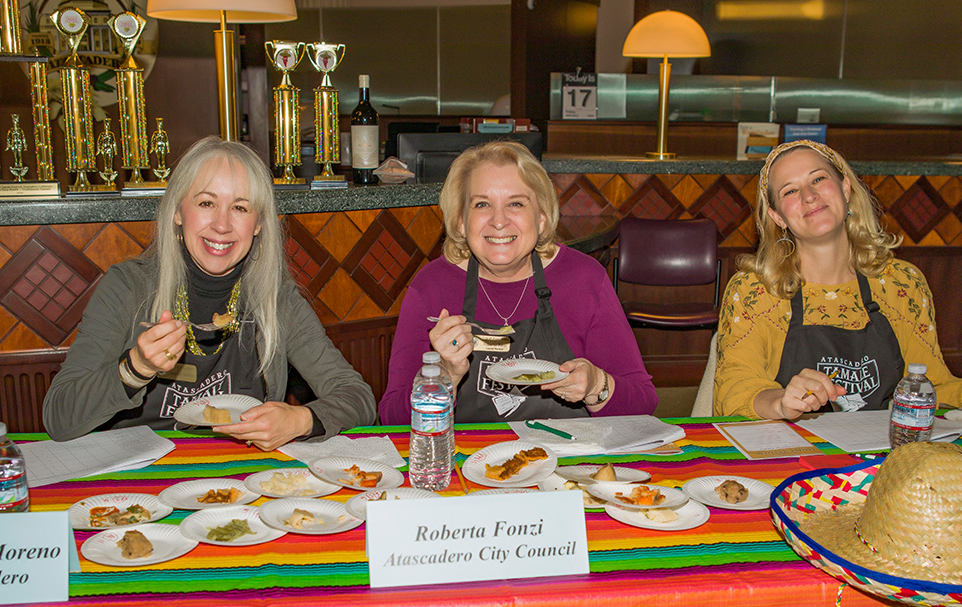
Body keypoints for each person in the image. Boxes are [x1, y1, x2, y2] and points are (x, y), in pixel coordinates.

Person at [43, 137, 376, 449]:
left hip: (243, 478)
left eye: (241, 208)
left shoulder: (277, 298)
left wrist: (301, 419)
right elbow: (58, 418)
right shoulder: (128, 287)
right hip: (136, 481)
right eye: (206, 203)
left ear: (258, 224)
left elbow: (358, 397)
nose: (222, 225)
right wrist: (135, 367)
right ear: (177, 212)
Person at [715, 139, 962, 420]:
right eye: (790, 190)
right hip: (791, 456)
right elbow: (734, 392)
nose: (809, 196)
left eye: (818, 179)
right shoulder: (754, 291)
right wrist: (781, 403)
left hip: (884, 463)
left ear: (844, 188)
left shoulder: (902, 284)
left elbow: (935, 387)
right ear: (777, 217)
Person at [379, 140, 657, 424]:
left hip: (565, 460)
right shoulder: (431, 286)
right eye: (482, 204)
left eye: (515, 203)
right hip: (466, 461)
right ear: (461, 220)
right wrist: (444, 375)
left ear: (541, 219)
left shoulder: (584, 278)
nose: (499, 221)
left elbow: (644, 401)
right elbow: (391, 419)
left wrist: (596, 386)